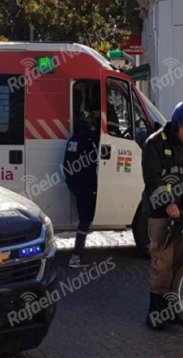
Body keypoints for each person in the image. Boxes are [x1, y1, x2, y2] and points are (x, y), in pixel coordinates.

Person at [142, 102, 183, 329]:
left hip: (182, 214)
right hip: (160, 213)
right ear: (177, 124)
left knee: (179, 260)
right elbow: (153, 179)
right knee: (162, 261)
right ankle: (155, 311)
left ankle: (174, 309)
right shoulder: (154, 144)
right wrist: (167, 203)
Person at [63, 110, 100, 269]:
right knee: (84, 221)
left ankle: (78, 254)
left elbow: (66, 165)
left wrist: (73, 186)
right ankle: (76, 256)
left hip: (78, 187)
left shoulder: (73, 139)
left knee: (84, 220)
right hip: (87, 186)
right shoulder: (89, 139)